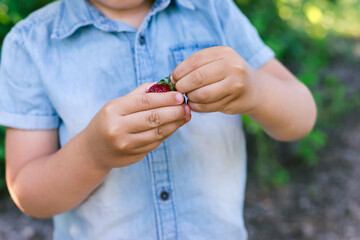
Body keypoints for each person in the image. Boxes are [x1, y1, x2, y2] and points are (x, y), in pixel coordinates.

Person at [0, 0, 317, 239]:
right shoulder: (30, 43)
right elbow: (28, 193)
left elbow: (302, 116)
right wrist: (92, 152)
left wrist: (256, 89)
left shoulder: (213, 11)